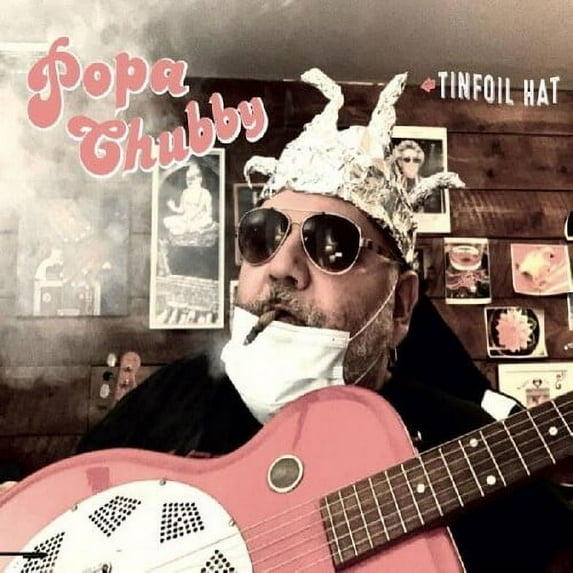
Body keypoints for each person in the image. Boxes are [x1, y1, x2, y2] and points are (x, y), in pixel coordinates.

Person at [13, 69, 573, 571]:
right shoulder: (168, 398)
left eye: (332, 245)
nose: (280, 266)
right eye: (262, 237)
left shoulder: (476, 446)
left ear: (401, 305)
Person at [163, 160, 214, 236]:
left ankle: (187, 228)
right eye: (187, 179)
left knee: (208, 220)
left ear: (200, 179)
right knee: (166, 220)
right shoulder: (185, 192)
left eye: (192, 179)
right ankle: (187, 228)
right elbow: (181, 210)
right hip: (185, 219)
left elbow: (209, 213)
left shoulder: (204, 193)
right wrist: (173, 208)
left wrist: (198, 215)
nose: (189, 182)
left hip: (198, 220)